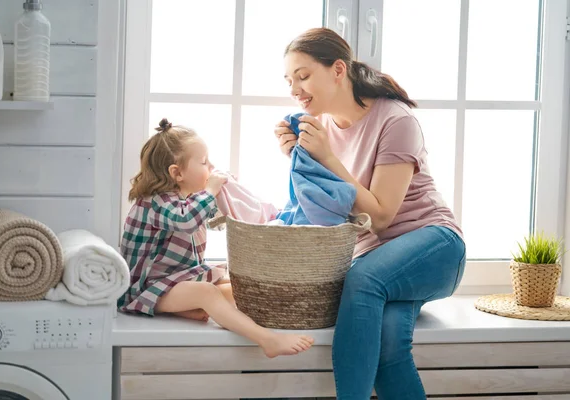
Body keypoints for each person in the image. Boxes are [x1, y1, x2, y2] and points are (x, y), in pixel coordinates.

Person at [275, 28, 466, 399]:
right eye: (289, 81)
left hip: (434, 245)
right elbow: (326, 207)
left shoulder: (396, 121)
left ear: (338, 70)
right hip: (379, 260)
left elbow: (380, 217)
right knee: (390, 349)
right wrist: (299, 161)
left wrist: (326, 157)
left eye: (303, 76)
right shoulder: (321, 128)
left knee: (361, 281)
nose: (295, 89)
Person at [119, 118, 314, 358]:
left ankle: (189, 310)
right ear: (176, 173)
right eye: (203, 162)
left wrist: (231, 192)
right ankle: (268, 340)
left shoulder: (187, 200)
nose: (210, 167)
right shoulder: (155, 203)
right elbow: (186, 220)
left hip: (176, 281)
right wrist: (210, 190)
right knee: (207, 293)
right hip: (146, 289)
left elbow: (214, 217)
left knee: (237, 290)